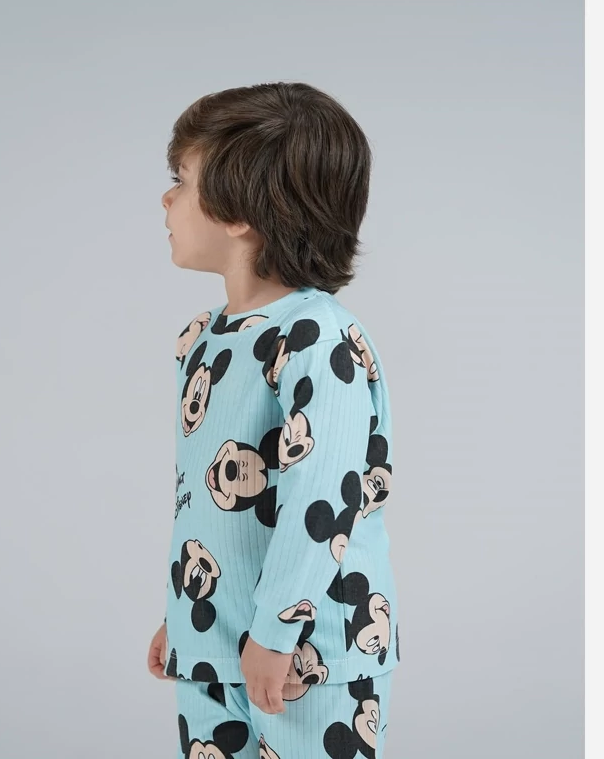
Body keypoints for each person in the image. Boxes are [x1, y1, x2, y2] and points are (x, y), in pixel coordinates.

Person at [148, 81, 400, 759]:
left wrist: (276, 633)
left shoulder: (317, 337)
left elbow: (324, 498)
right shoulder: (203, 340)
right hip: (216, 640)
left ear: (238, 210)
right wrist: (184, 618)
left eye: (181, 180)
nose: (166, 200)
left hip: (309, 655)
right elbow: (201, 503)